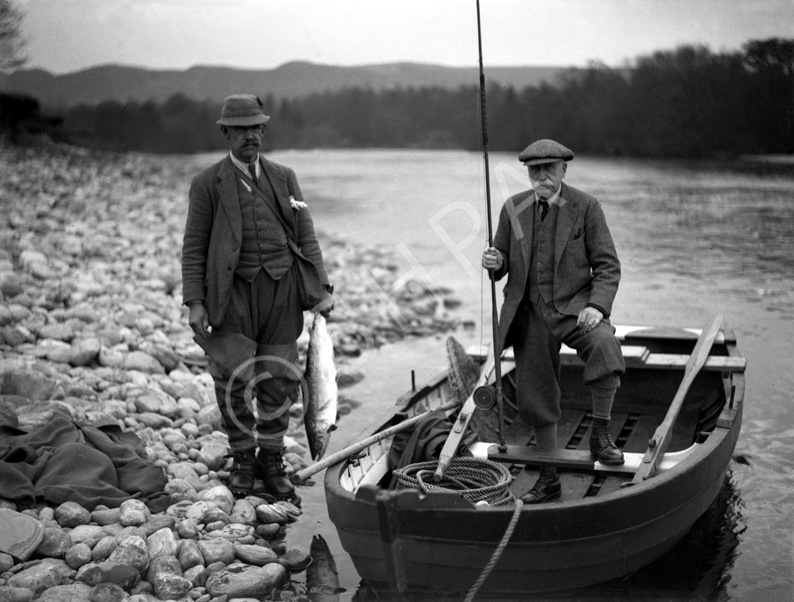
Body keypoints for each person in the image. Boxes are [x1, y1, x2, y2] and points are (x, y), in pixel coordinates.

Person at [182, 94, 334, 501]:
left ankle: (271, 458)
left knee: (280, 377)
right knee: (231, 377)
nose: (250, 136)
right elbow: (194, 247)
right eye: (241, 129)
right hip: (231, 293)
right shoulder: (207, 184)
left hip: (283, 290)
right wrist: (195, 301)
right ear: (226, 133)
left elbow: (306, 237)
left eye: (256, 128)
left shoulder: (285, 178)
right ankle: (242, 458)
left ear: (264, 131)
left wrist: (319, 292)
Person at [481, 139, 625, 504]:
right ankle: (549, 480)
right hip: (529, 311)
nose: (542, 176)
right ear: (528, 172)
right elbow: (501, 263)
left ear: (564, 170)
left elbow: (607, 266)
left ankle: (600, 434)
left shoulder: (586, 207)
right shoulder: (513, 208)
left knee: (606, 346)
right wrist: (494, 263)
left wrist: (597, 306)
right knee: (535, 392)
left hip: (576, 310)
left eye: (550, 168)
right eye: (535, 170)